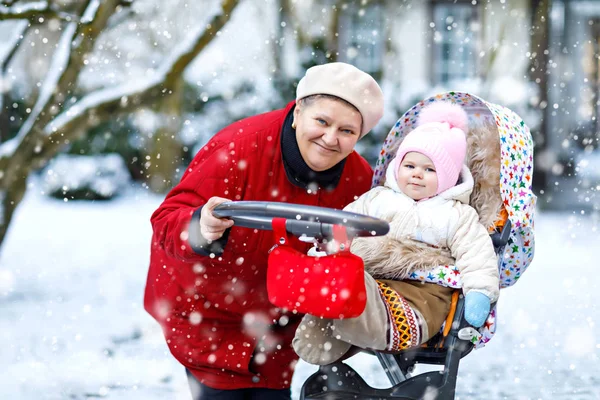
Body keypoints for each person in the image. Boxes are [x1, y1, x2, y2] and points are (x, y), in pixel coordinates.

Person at [143, 62, 384, 399]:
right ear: (299, 111)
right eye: (322, 121)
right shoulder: (239, 148)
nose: (331, 138)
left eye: (347, 131)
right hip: (207, 314)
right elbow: (167, 219)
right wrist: (201, 224)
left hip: (278, 327)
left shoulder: (358, 180)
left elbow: (379, 237)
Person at [293, 102, 500, 365]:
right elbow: (343, 225)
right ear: (398, 165)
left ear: (448, 177)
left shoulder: (457, 215)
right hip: (374, 280)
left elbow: (477, 255)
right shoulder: (377, 200)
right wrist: (325, 251)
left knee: (355, 280)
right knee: (348, 268)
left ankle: (350, 306)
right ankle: (333, 312)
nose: (417, 175)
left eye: (429, 169)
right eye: (410, 165)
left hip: (422, 296)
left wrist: (480, 293)